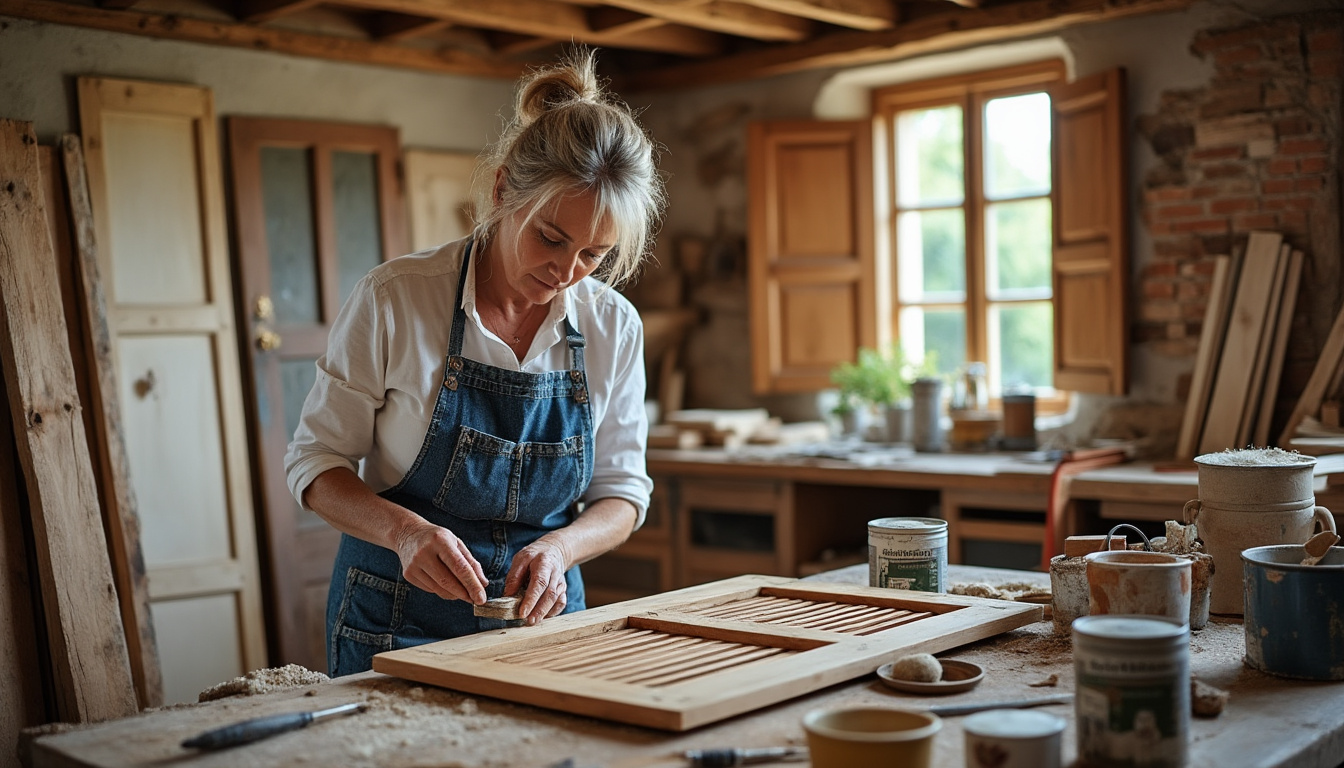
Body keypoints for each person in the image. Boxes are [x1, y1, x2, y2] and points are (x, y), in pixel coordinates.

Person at [284, 49, 663, 676]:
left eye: (594, 255)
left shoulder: (612, 327)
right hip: (393, 618)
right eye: (551, 238)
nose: (564, 273)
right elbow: (315, 465)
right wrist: (406, 534)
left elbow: (622, 494)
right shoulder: (395, 298)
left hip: (541, 625)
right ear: (501, 189)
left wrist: (562, 548)